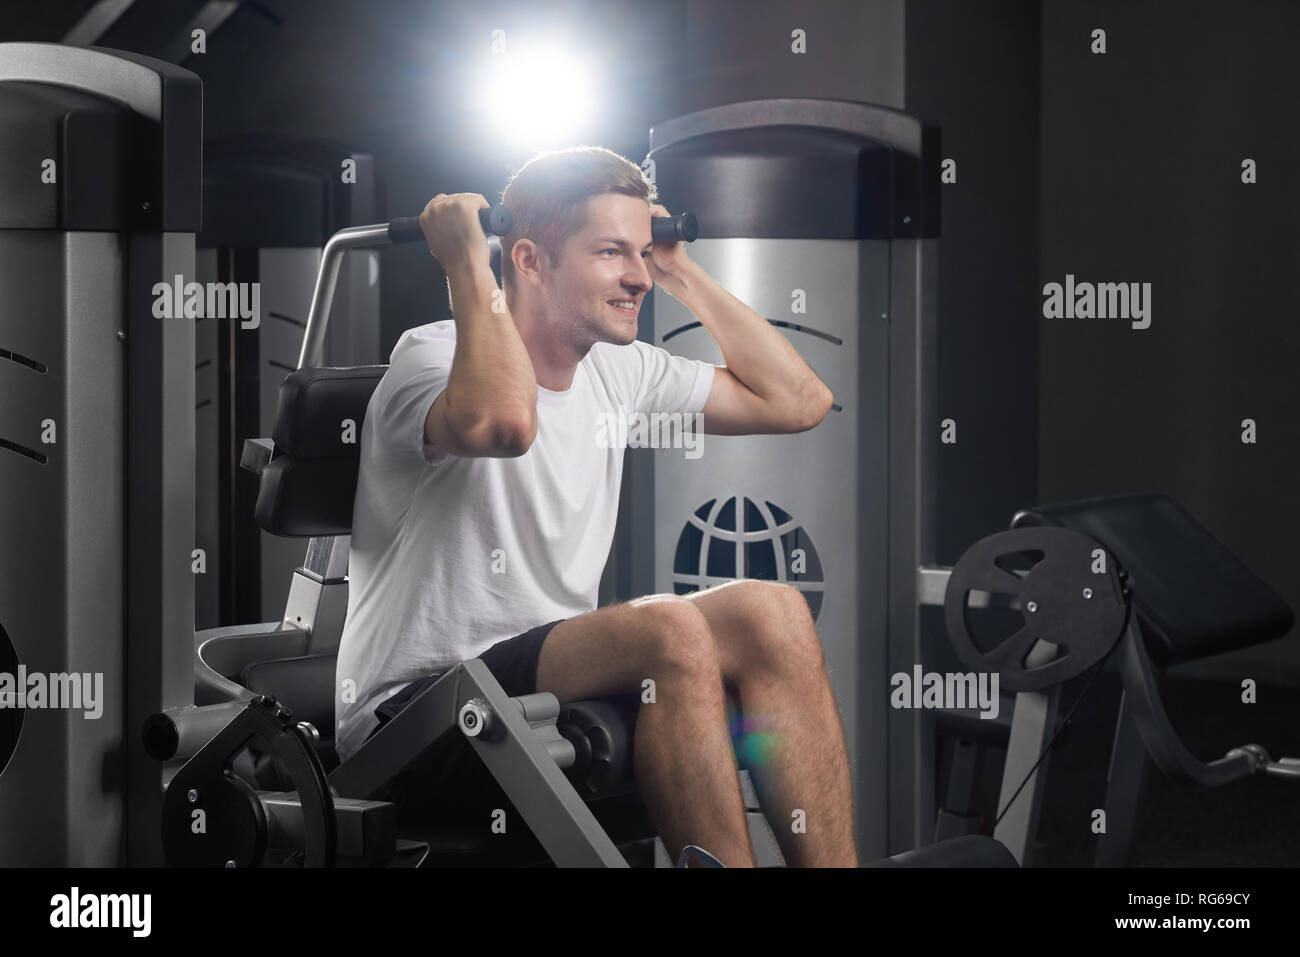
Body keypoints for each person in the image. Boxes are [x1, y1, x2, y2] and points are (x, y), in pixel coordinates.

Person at [334, 145, 855, 866]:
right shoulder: (428, 360)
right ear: (530, 260)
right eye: (612, 252)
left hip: (543, 677)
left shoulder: (618, 371)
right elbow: (505, 425)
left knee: (775, 614)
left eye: (642, 253)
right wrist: (464, 263)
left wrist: (677, 268)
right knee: (667, 629)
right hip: (416, 718)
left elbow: (800, 401)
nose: (637, 276)